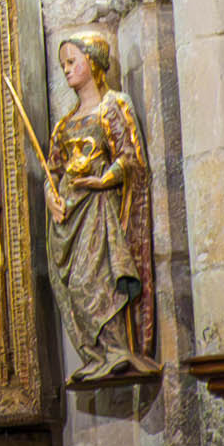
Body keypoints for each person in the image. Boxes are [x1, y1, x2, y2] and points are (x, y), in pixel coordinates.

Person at [45, 32, 158, 384]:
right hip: (70, 217)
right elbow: (53, 170)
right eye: (63, 64)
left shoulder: (114, 106)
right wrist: (51, 197)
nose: (66, 70)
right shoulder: (65, 123)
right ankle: (94, 354)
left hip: (100, 211)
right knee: (74, 285)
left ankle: (117, 350)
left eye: (72, 61)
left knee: (94, 281)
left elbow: (130, 157)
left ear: (92, 62)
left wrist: (104, 179)